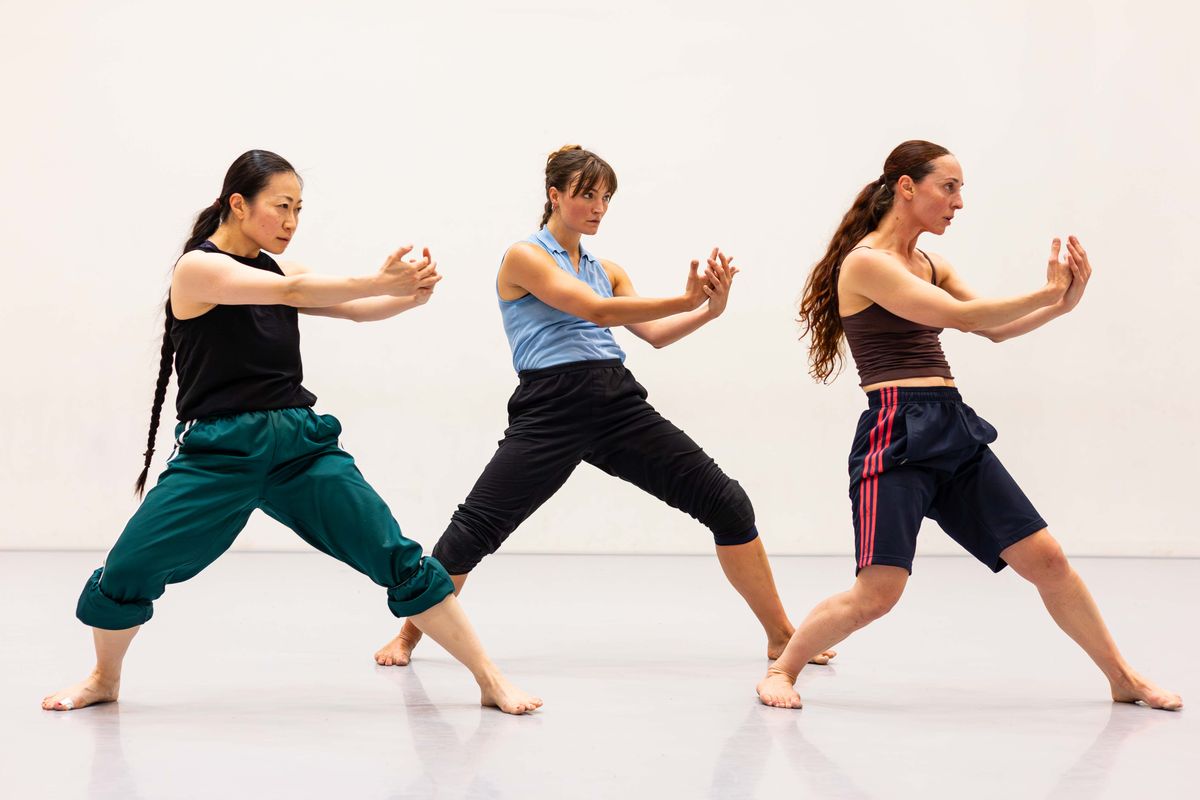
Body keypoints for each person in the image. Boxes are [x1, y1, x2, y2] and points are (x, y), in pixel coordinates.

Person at [42, 150, 541, 715]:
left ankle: (489, 679)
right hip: (218, 454)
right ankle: (104, 678)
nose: (291, 222)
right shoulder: (199, 270)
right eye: (281, 207)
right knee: (129, 568)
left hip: (300, 448)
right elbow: (295, 295)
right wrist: (376, 279)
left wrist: (406, 295)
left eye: (299, 210)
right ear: (238, 203)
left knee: (396, 556)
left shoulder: (282, 270)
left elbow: (351, 307)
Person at [755, 139, 1181, 711]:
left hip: (953, 426)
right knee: (878, 594)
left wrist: (1062, 304)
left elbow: (993, 329)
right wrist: (1047, 291)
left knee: (1048, 560)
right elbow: (957, 316)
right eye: (948, 187)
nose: (959, 202)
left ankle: (1122, 677)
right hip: (896, 433)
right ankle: (782, 669)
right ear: (907, 186)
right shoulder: (866, 263)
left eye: (961, 190)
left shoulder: (930, 263)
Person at [374, 144, 835, 668]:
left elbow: (655, 335)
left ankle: (781, 637)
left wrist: (709, 310)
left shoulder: (607, 268)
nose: (598, 207)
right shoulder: (523, 256)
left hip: (617, 401)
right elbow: (594, 310)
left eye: (606, 197)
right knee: (477, 528)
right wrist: (683, 298)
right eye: (586, 195)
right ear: (554, 195)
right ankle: (407, 637)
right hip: (552, 405)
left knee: (728, 504)